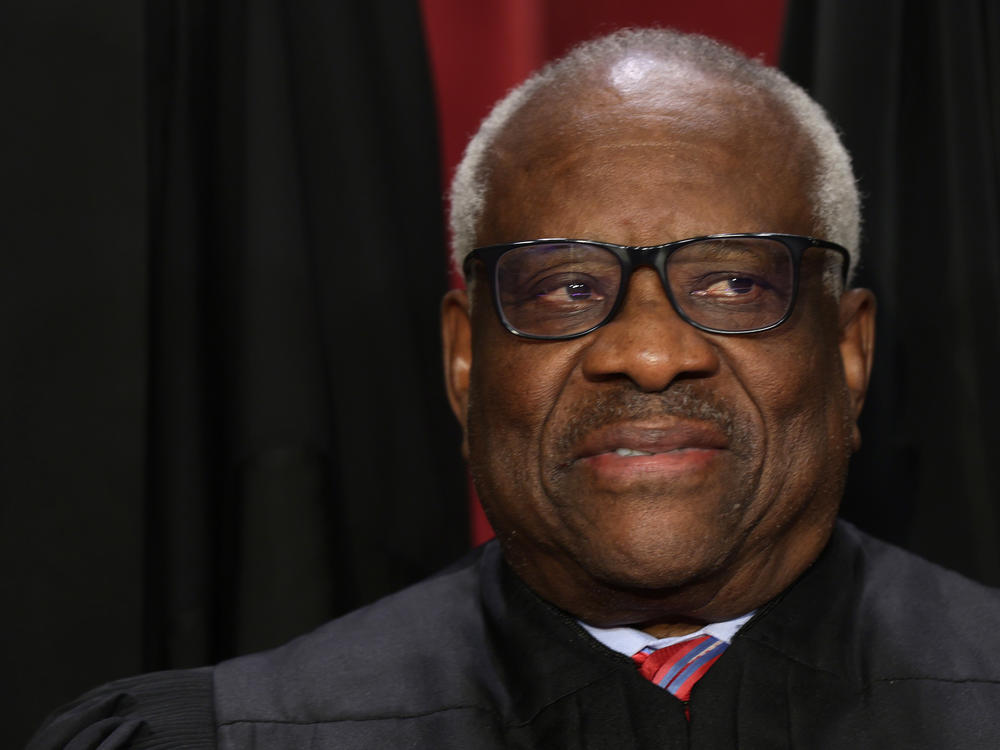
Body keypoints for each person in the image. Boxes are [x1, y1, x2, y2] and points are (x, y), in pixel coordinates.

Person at [28, 28, 1000, 750]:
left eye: (735, 284)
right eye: (566, 287)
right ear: (463, 363)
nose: (650, 354)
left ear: (847, 353)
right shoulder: (238, 738)